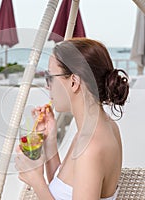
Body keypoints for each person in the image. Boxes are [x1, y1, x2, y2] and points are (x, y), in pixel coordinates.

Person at [15, 38, 129, 199]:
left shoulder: (90, 147)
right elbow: (64, 189)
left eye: (50, 78)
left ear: (74, 82)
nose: (48, 86)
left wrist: (36, 180)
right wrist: (50, 142)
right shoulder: (99, 127)